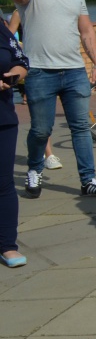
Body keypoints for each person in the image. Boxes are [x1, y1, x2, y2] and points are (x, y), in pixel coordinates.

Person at [11, 0, 96, 198]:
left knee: (80, 126)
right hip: (39, 72)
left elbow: (87, 30)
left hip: (74, 71)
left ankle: (88, 179)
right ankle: (35, 170)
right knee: (40, 129)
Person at [0, 24, 29, 266]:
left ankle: (7, 245)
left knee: (4, 183)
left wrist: (14, 75)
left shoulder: (1, 29)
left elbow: (21, 61)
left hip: (3, 119)